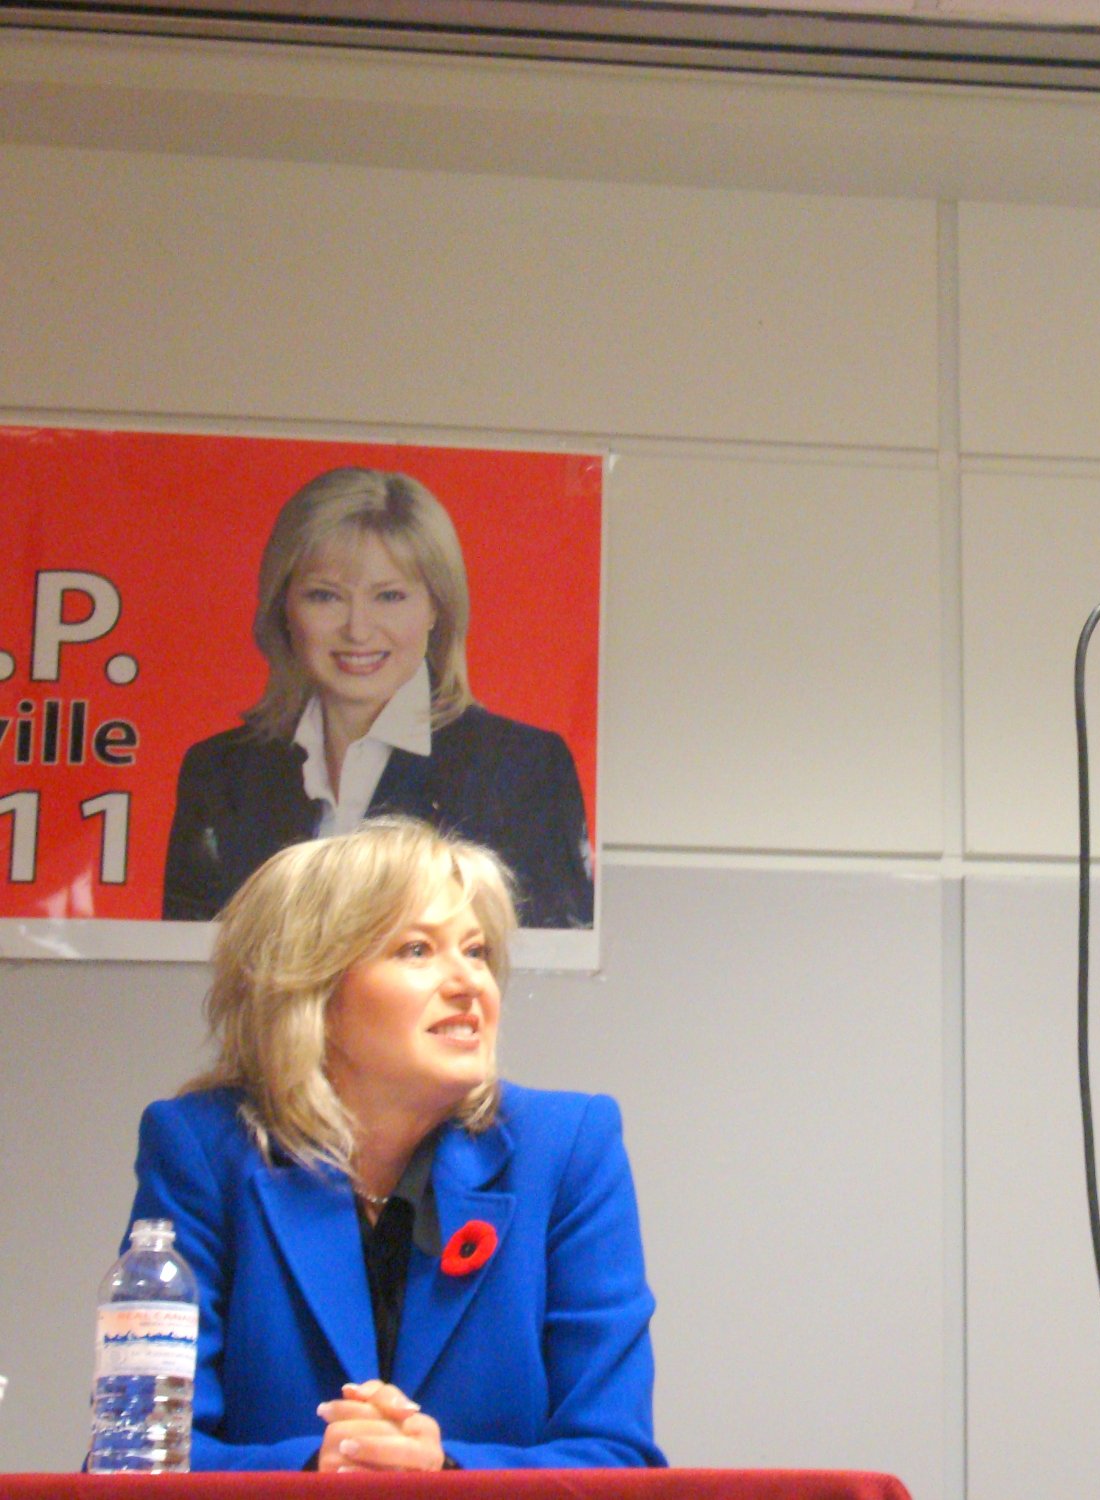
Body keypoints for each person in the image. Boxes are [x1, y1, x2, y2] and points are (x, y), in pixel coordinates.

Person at [122, 816, 663, 1470]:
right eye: (417, 950)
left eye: (477, 951)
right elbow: (141, 1456)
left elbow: (616, 1457)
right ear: (313, 989)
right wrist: (320, 1467)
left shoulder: (568, 1149)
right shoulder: (203, 1152)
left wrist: (445, 1472)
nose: (470, 984)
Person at [163, 467, 594, 928]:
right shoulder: (220, 773)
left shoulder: (523, 768)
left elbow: (546, 968)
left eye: (389, 596)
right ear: (283, 608)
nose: (358, 630)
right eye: (325, 596)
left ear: (435, 609)